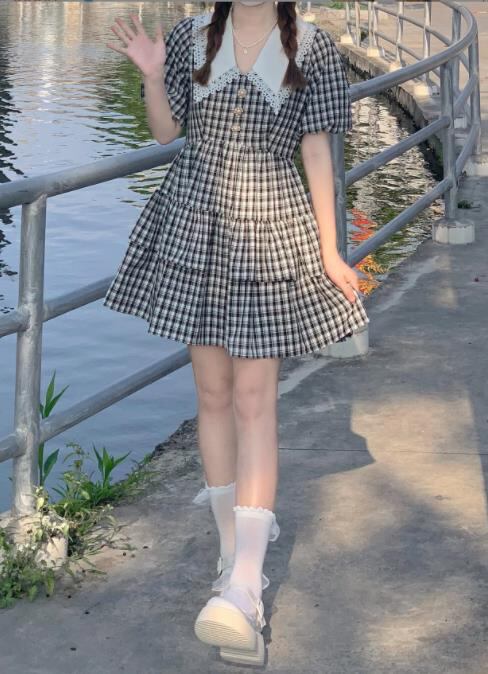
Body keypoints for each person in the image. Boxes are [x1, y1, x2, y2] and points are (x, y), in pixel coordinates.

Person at [104, 0, 369, 666]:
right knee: (213, 397)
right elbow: (166, 132)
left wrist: (330, 251)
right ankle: (232, 561)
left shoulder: (312, 47)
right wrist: (152, 74)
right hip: (196, 220)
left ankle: (247, 586)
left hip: (269, 226)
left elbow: (317, 153)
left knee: (256, 401)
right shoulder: (192, 36)